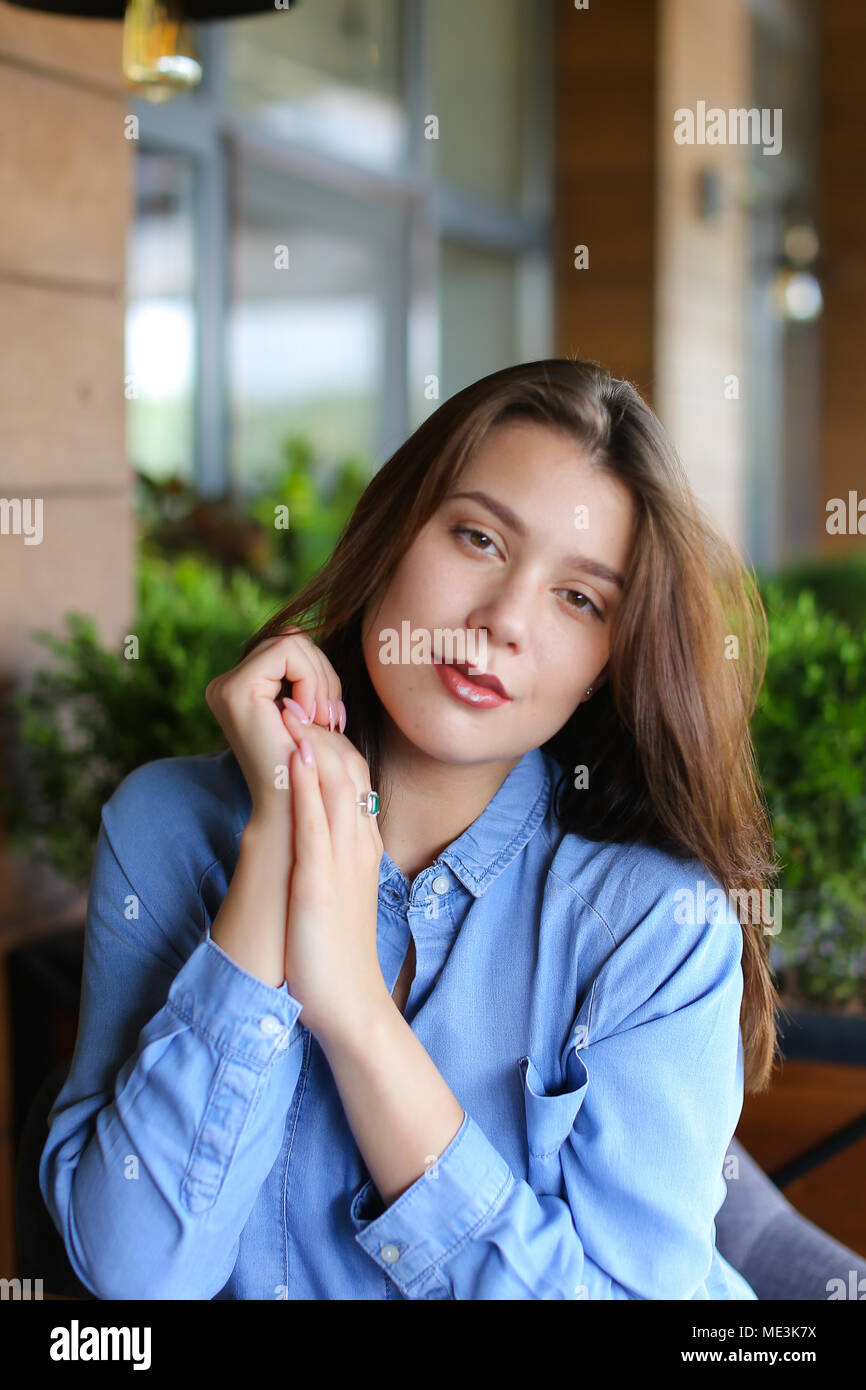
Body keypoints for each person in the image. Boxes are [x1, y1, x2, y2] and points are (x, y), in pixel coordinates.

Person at [40, 358, 779, 1300]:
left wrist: (353, 1015)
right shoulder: (168, 828)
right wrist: (284, 833)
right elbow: (137, 1277)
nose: (503, 620)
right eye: (478, 537)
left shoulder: (654, 925)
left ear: (607, 661)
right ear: (395, 533)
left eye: (580, 597)